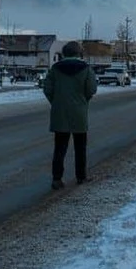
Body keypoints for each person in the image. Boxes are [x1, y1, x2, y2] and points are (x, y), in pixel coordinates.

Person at [42, 41, 98, 190]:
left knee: (60, 148)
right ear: (79, 53)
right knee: (80, 147)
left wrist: (56, 101)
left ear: (64, 53)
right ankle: (81, 177)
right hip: (79, 113)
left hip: (60, 113)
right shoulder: (86, 69)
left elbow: (47, 88)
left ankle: (57, 179)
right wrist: (82, 100)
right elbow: (91, 89)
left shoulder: (55, 68)